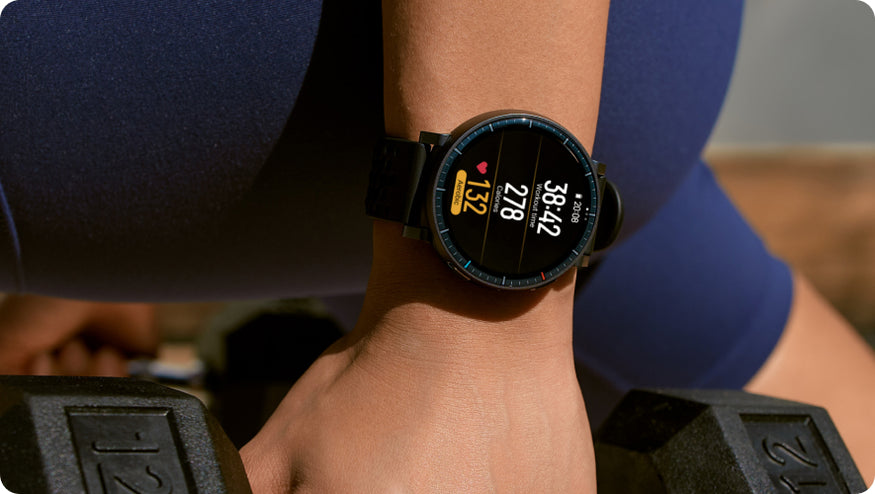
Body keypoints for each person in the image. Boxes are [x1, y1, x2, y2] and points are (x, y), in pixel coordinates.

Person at [2, 0, 875, 490]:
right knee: (832, 428)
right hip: (522, 104)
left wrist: (468, 344)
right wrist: (108, 255)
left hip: (490, 88)